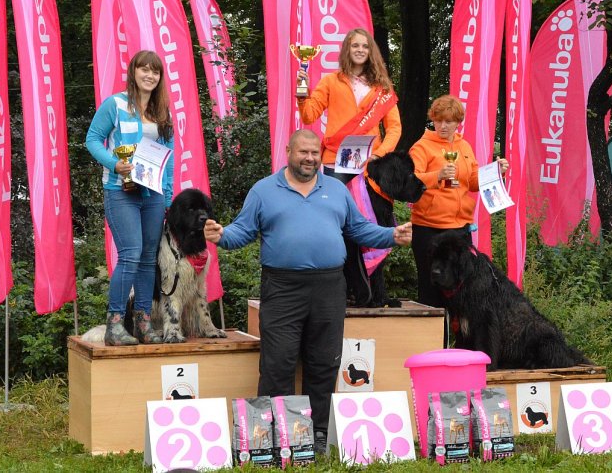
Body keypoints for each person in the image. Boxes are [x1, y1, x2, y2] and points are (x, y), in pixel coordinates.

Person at [203, 129, 412, 451]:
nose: (310, 158)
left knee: (324, 362)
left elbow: (358, 228)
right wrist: (221, 236)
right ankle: (275, 433)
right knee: (278, 363)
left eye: (315, 153)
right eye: (303, 152)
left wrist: (391, 235)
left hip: (329, 287)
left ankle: (317, 433)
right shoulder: (263, 191)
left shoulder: (337, 190)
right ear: (288, 151)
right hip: (282, 287)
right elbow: (241, 232)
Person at [85, 50, 173, 346]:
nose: (150, 75)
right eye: (144, 69)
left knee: (149, 259)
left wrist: (169, 198)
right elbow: (92, 139)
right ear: (133, 72)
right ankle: (114, 325)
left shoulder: (162, 111)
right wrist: (115, 164)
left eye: (155, 71)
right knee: (131, 254)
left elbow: (168, 160)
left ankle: (144, 323)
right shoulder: (116, 104)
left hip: (153, 194)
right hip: (120, 191)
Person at [408, 95, 508, 309]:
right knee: (431, 290)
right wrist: (437, 175)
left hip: (460, 229)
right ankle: (433, 341)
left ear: (457, 122)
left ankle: (458, 341)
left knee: (461, 289)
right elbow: (410, 182)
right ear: (433, 120)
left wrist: (495, 172)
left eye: (449, 121)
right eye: (438, 120)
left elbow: (472, 182)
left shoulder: (465, 146)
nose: (443, 126)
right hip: (429, 229)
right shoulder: (421, 147)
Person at [296, 28, 401, 183]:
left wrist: (379, 154)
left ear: (371, 51)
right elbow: (308, 117)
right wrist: (303, 95)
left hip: (370, 162)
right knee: (334, 207)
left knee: (369, 208)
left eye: (365, 46)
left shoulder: (383, 87)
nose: (360, 50)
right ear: (347, 49)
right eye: (355, 46)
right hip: (336, 160)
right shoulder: (330, 81)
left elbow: (395, 128)